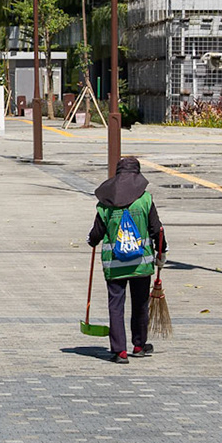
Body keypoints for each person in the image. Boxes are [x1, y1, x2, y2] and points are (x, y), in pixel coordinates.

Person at [87, 155, 166, 362]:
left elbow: (97, 232)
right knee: (140, 304)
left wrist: (92, 241)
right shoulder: (145, 199)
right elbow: (156, 229)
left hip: (114, 265)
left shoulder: (106, 202)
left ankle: (120, 351)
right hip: (141, 263)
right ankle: (139, 345)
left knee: (116, 304)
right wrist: (161, 252)